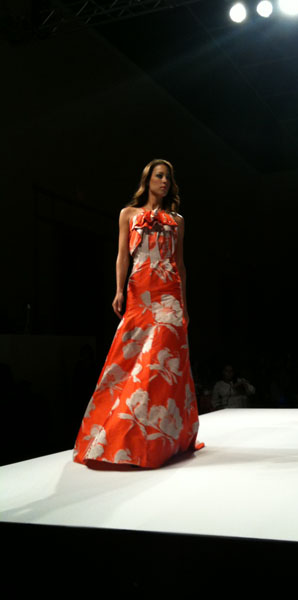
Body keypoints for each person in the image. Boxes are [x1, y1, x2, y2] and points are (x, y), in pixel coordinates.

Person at [73, 159, 202, 468]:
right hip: (140, 288)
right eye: (159, 176)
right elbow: (122, 256)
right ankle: (123, 435)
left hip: (169, 292)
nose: (165, 181)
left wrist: (184, 305)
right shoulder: (128, 214)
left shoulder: (177, 220)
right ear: (148, 180)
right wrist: (118, 290)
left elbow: (180, 264)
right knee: (130, 357)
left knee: (164, 362)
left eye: (168, 177)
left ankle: (160, 437)